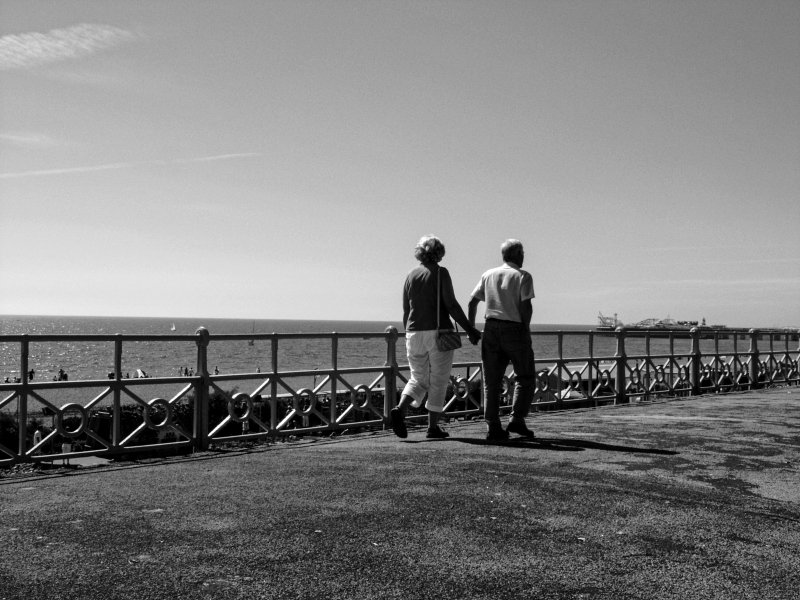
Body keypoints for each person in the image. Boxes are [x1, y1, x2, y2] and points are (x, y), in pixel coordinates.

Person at [390, 235, 481, 439]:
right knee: (438, 380)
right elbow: (451, 305)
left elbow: (406, 310)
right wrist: (469, 329)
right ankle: (432, 427)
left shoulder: (410, 275)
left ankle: (400, 408)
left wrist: (409, 333)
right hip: (438, 333)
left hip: (413, 333)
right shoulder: (441, 272)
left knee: (418, 378)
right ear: (439, 252)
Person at [468, 239, 536, 441]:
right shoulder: (523, 276)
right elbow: (526, 307)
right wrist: (526, 329)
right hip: (514, 328)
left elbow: (472, 302)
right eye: (522, 253)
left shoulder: (488, 274)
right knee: (525, 376)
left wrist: (472, 328)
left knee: (491, 381)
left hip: (490, 329)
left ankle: (493, 426)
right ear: (516, 255)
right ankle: (517, 419)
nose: (524, 256)